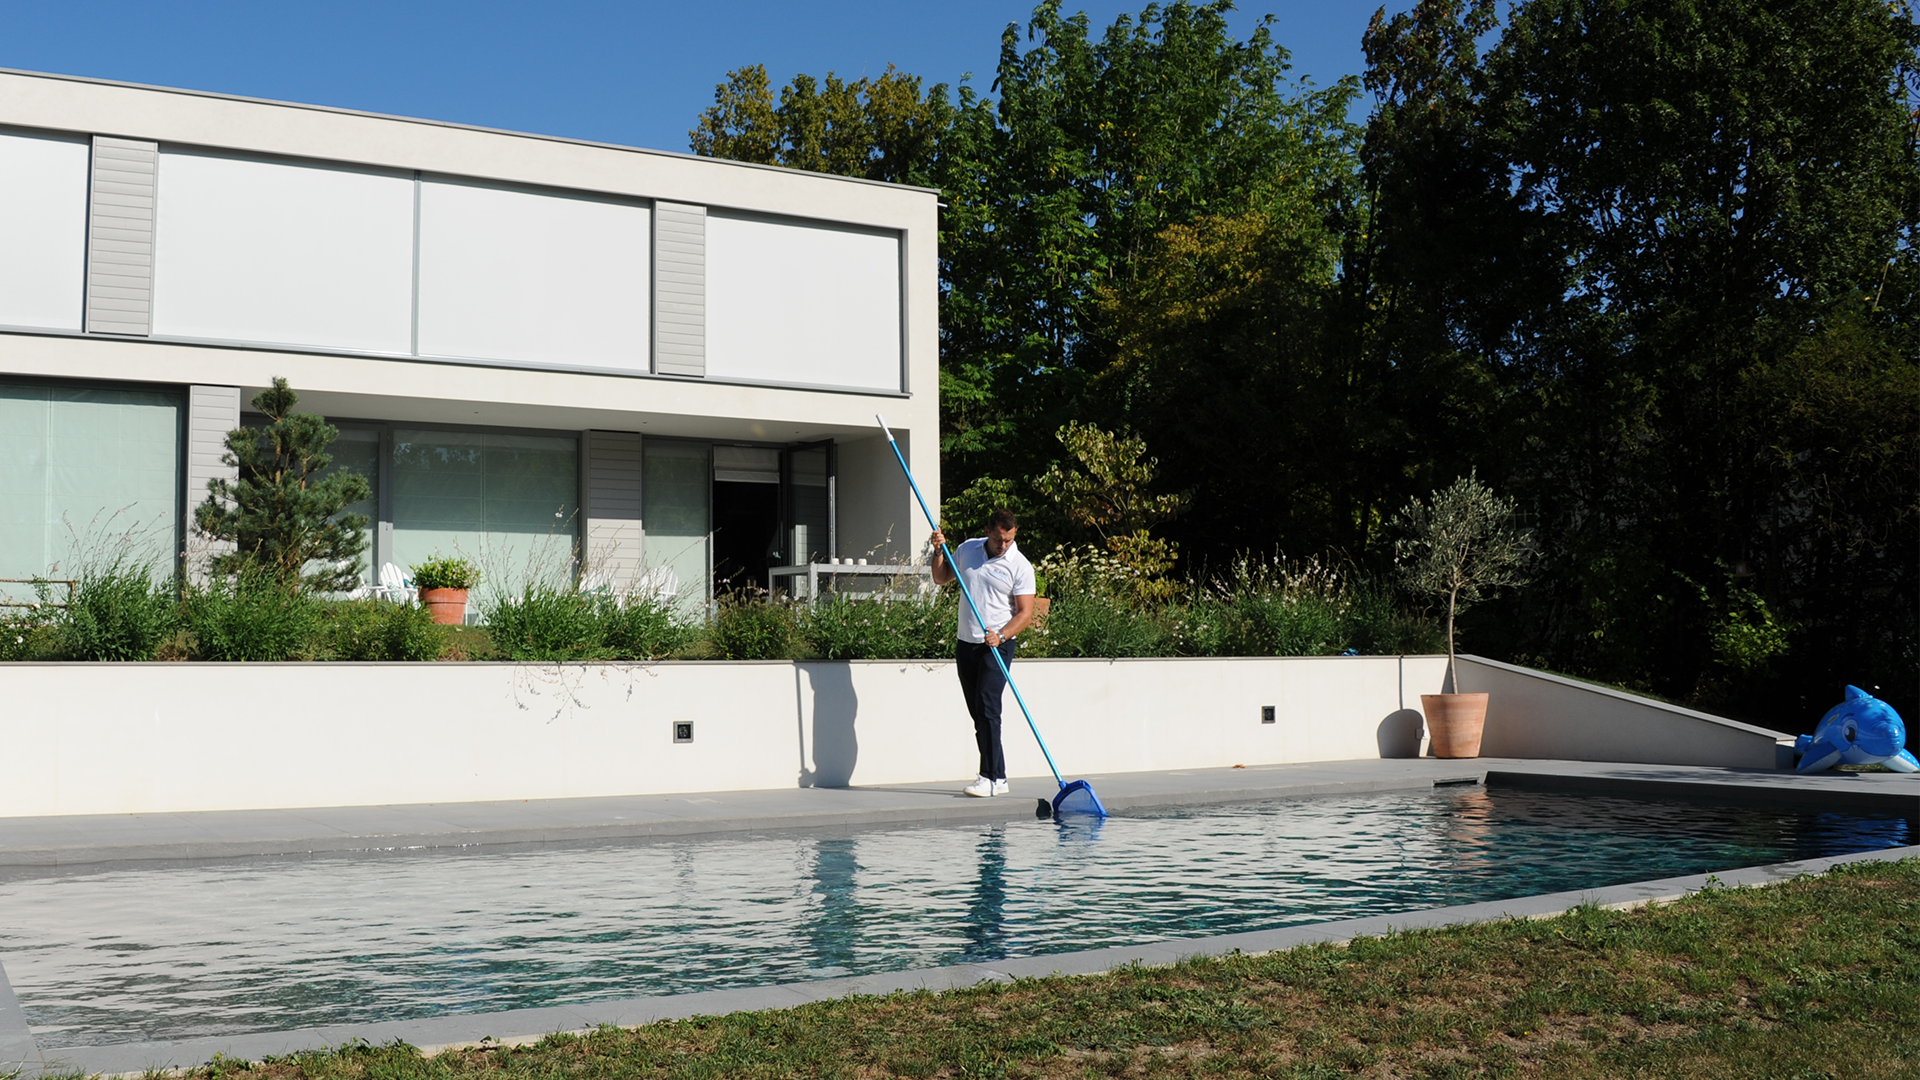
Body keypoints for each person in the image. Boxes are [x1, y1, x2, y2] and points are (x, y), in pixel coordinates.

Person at [930, 509, 1036, 797]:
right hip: (966, 642)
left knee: (988, 708)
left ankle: (988, 776)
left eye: (1009, 540)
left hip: (997, 646)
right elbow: (941, 577)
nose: (1004, 545)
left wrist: (1001, 635)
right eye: (999, 539)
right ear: (988, 531)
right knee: (979, 713)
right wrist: (938, 551)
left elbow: (1025, 613)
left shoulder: (1020, 566)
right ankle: (999, 777)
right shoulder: (968, 550)